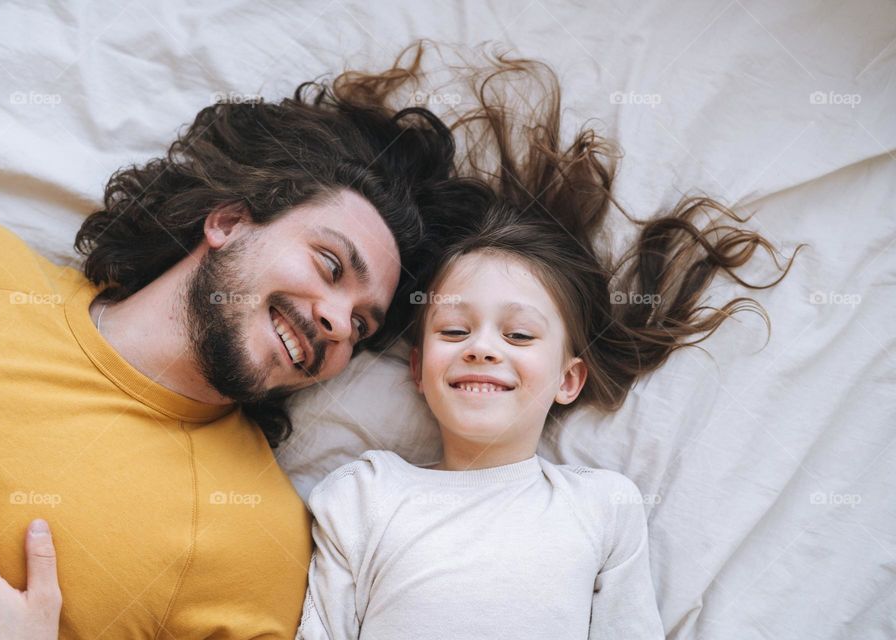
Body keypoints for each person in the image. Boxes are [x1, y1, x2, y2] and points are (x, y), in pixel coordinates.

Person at [293, 46, 804, 638]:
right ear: (418, 366)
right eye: (454, 330)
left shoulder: (602, 510)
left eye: (518, 334)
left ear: (568, 379)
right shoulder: (364, 494)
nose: (482, 348)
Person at [0, 75, 459, 638]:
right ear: (228, 223)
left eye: (360, 325)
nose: (337, 323)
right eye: (330, 266)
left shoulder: (252, 543)